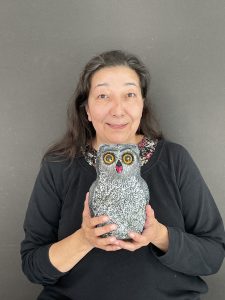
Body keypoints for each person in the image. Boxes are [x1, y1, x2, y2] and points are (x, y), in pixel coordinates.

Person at [20, 50, 225, 300]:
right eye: (103, 96)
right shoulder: (58, 166)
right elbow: (33, 267)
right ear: (86, 110)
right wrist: (85, 239)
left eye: (129, 95)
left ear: (142, 104)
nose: (118, 110)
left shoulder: (174, 160)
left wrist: (159, 235)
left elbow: (213, 256)